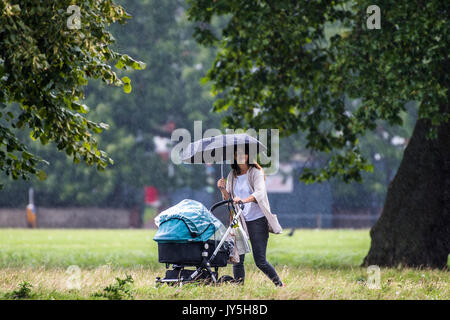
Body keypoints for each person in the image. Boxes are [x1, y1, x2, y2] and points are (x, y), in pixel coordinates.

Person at [217, 146, 285, 287]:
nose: (241, 156)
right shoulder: (232, 175)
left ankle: (279, 285)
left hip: (257, 220)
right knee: (238, 258)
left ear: (248, 156)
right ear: (234, 157)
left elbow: (259, 193)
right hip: (240, 220)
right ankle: (239, 287)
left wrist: (243, 200)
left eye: (244, 154)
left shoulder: (256, 172)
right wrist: (223, 189)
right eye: (237, 154)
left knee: (260, 260)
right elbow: (228, 199)